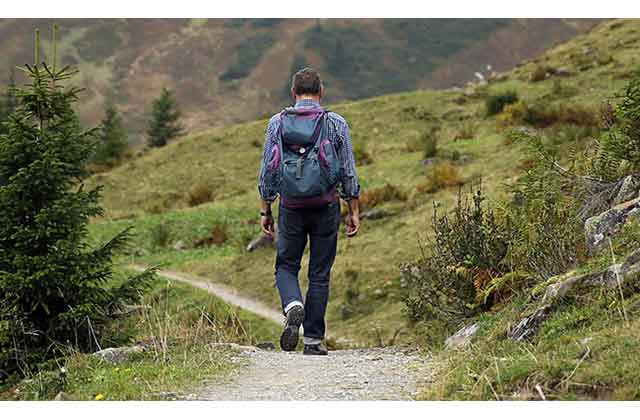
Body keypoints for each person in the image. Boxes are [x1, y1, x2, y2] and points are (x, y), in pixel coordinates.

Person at [258, 67, 361, 356]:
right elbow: (348, 169)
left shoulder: (277, 123)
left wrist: (266, 208)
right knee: (319, 273)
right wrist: (353, 208)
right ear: (321, 91)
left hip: (290, 206)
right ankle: (314, 340)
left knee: (286, 265)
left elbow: (269, 168)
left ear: (293, 93)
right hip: (326, 205)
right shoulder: (336, 123)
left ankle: (293, 304)